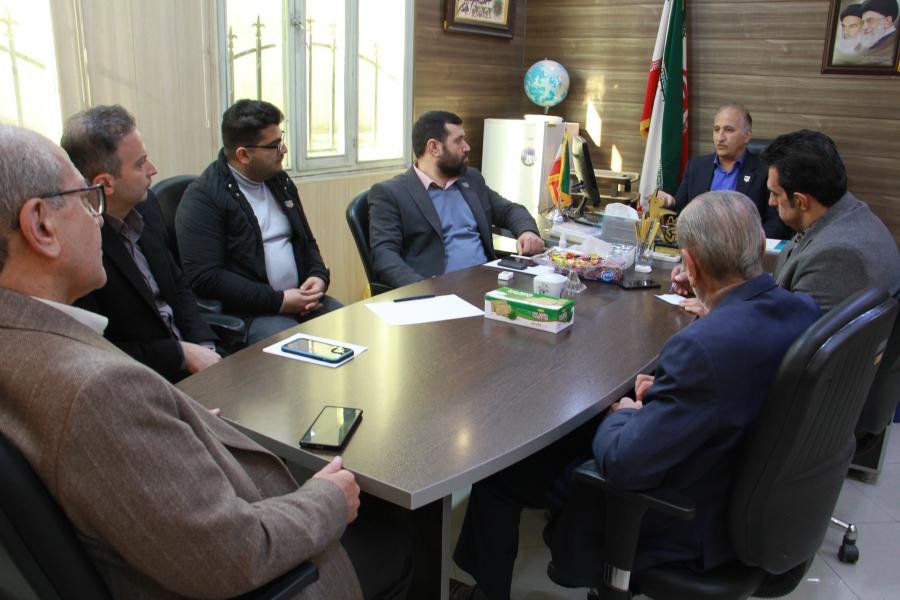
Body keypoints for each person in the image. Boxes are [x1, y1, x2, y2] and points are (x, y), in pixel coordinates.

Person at [0, 123, 411, 599]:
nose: (98, 218)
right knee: (399, 529)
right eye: (87, 200)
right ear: (41, 226)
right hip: (261, 574)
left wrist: (168, 426)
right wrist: (328, 499)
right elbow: (236, 554)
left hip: (167, 527)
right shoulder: (100, 392)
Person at [450, 191, 820, 600]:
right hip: (742, 492)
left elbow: (624, 463)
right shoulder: (804, 311)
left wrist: (625, 412)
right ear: (758, 247)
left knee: (502, 475)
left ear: (691, 264)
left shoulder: (702, 348)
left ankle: (486, 593)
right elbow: (735, 383)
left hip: (686, 520)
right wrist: (670, 393)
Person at [61, 105, 221, 383]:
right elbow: (100, 350)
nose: (152, 169)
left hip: (197, 362)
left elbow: (177, 285)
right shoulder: (78, 247)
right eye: (140, 164)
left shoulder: (147, 207)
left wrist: (205, 346)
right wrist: (182, 354)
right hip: (145, 381)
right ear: (105, 183)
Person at [176, 99, 341, 345]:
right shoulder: (204, 197)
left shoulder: (280, 182)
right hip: (252, 313)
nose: (283, 150)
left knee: (351, 329)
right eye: (274, 146)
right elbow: (206, 277)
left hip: (301, 301)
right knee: (297, 351)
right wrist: (279, 301)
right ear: (243, 154)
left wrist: (318, 277)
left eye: (281, 140)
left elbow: (306, 240)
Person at [368, 110, 544, 289]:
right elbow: (384, 256)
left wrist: (527, 232)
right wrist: (422, 290)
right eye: (458, 140)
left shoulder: (471, 179)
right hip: (437, 290)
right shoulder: (391, 193)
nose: (466, 147)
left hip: (487, 282)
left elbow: (509, 210)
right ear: (434, 147)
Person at [762, 129, 900, 312]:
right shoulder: (848, 211)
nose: (771, 202)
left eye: (775, 193)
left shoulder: (835, 257)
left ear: (801, 201)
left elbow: (794, 326)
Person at [654, 104, 791, 240]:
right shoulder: (696, 166)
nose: (720, 137)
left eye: (728, 130)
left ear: (747, 136)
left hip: (742, 248)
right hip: (698, 245)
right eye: (716, 129)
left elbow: (776, 224)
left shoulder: (765, 171)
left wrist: (746, 244)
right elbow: (680, 213)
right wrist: (669, 203)